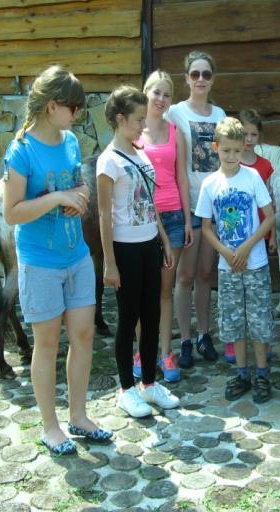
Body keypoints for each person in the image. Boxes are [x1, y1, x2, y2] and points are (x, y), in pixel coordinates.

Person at [2, 65, 111, 456]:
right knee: (47, 346)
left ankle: (78, 416)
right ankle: (50, 426)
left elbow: (78, 184)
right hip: (40, 262)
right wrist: (56, 200)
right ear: (53, 106)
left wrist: (77, 196)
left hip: (76, 255)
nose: (78, 114)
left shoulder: (69, 142)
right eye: (74, 107)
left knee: (83, 336)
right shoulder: (21, 152)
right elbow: (12, 212)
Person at [96, 85, 181, 418]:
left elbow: (150, 202)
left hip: (149, 244)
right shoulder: (108, 162)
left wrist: (161, 239)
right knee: (128, 319)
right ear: (120, 119)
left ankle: (149, 383)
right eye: (138, 119)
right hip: (125, 249)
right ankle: (125, 389)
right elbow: (105, 215)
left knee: (152, 316)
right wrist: (110, 264)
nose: (143, 125)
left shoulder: (140, 153)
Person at [194, 117, 275, 403]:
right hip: (227, 266)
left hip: (254, 263)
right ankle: (242, 373)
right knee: (234, 320)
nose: (231, 157)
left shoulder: (252, 178)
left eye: (237, 151)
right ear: (216, 147)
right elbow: (206, 227)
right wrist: (227, 252)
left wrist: (247, 247)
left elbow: (269, 217)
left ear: (244, 149)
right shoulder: (210, 184)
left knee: (259, 318)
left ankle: (262, 372)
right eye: (226, 150)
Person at [131, 70, 193, 383]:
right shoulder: (134, 133)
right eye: (156, 92)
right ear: (145, 93)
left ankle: (166, 351)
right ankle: (143, 351)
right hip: (141, 219)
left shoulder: (174, 133)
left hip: (172, 217)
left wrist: (185, 217)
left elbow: (181, 176)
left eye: (166, 94)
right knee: (143, 291)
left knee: (164, 291)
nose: (161, 99)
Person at [167, 51, 226, 369]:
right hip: (186, 205)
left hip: (213, 207)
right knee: (185, 275)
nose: (200, 79)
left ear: (213, 78)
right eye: (194, 74)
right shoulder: (175, 113)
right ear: (186, 78)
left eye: (206, 74)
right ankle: (185, 338)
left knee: (206, 273)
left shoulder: (220, 114)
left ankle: (205, 335)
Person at [223, 108, 277, 364]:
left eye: (253, 134)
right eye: (244, 134)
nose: (248, 139)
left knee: (258, 297)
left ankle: (261, 342)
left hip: (259, 234)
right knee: (235, 296)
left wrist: (273, 235)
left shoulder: (264, 167)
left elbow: (271, 204)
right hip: (234, 238)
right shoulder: (231, 164)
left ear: (259, 137)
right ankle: (236, 344)